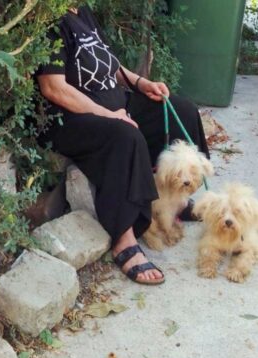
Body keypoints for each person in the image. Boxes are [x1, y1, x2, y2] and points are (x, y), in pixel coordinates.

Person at [36, 5, 210, 285]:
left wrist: (142, 84)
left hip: (114, 103)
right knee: (125, 135)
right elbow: (52, 88)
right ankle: (124, 237)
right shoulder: (46, 20)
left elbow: (108, 63)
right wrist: (108, 114)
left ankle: (172, 200)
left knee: (182, 110)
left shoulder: (82, 12)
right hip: (69, 119)